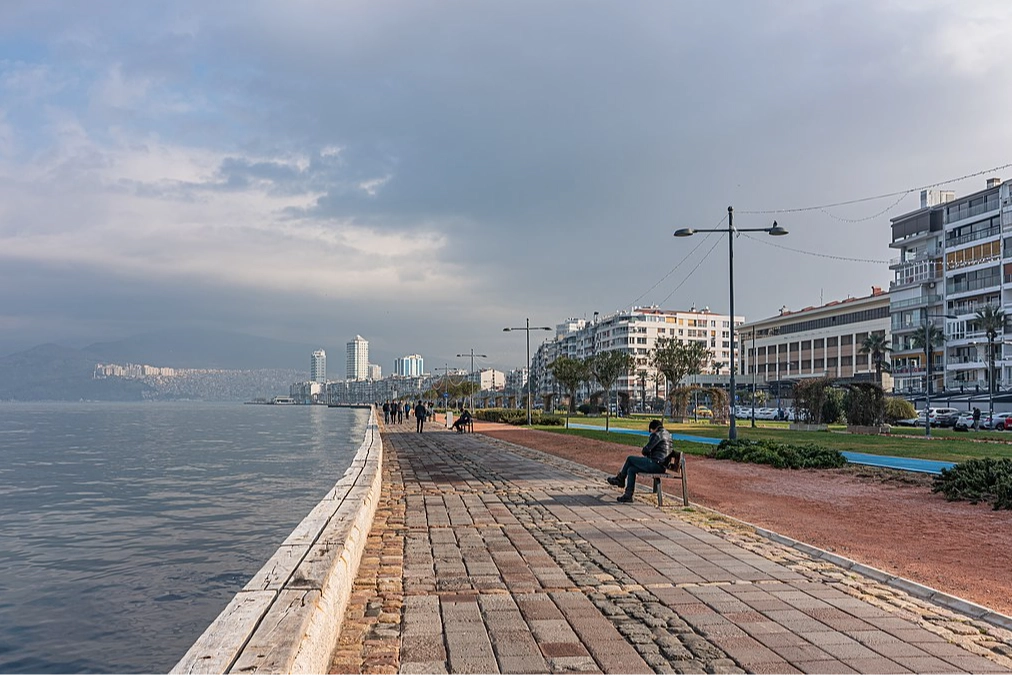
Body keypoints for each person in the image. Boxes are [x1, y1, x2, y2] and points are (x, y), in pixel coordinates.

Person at [607, 419, 671, 503]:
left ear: (654, 428)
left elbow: (645, 450)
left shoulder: (657, 435)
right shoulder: (667, 434)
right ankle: (628, 495)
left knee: (630, 459)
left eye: (650, 431)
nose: (650, 433)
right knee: (631, 469)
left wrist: (649, 444)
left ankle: (621, 479)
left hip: (655, 464)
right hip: (661, 465)